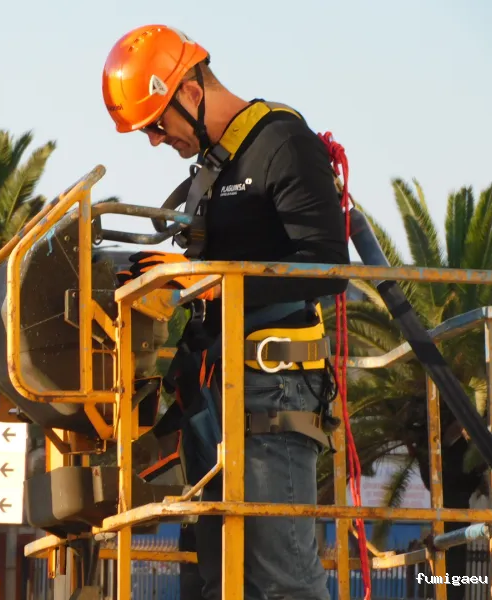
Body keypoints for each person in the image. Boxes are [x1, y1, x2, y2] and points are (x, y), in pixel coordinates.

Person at [102, 24, 350, 599]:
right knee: (219, 580)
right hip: (215, 396)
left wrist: (211, 283)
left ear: (189, 90)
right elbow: (211, 275)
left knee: (280, 577)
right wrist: (163, 275)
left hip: (273, 392)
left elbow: (328, 266)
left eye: (157, 124)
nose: (156, 141)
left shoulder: (282, 142)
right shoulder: (214, 170)